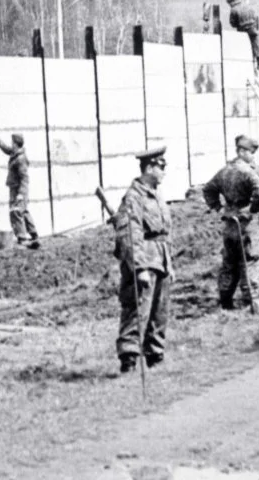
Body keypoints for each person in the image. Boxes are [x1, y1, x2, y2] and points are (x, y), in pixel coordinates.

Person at [112, 147, 172, 374]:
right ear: (149, 168)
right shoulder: (134, 197)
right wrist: (139, 267)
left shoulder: (156, 195)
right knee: (138, 310)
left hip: (160, 259)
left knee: (159, 311)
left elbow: (164, 232)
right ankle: (128, 360)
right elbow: (130, 234)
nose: (164, 171)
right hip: (145, 260)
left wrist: (170, 265)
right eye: (161, 167)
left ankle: (155, 356)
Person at [202, 135, 259, 310]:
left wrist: (218, 208)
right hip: (246, 222)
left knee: (229, 262)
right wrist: (253, 208)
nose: (252, 157)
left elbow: (208, 189)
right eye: (251, 153)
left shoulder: (224, 171)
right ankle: (251, 300)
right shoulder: (247, 172)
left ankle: (225, 300)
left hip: (230, 221)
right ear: (242, 152)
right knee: (250, 259)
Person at [0, 125, 40, 249]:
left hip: (19, 189)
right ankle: (34, 235)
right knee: (23, 210)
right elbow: (4, 147)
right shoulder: (15, 153)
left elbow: (24, 178)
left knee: (15, 211)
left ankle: (22, 238)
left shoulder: (20, 159)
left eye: (12, 142)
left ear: (16, 144)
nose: (11, 144)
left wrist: (20, 194)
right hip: (16, 188)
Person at [226, 0, 259, 76]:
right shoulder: (249, 7)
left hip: (242, 31)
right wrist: (256, 28)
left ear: (231, 2)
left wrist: (239, 24)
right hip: (253, 29)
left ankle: (247, 64)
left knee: (244, 48)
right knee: (256, 47)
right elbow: (256, 18)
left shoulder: (234, 9)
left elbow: (233, 23)